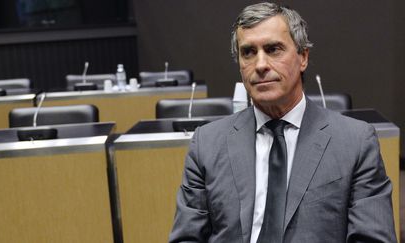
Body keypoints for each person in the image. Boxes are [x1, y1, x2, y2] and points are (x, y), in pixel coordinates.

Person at [169, 2, 397, 243]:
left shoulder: (355, 142)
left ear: (303, 58)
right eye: (248, 52)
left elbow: (373, 238)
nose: (260, 65)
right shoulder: (207, 144)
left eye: (273, 49)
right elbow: (187, 238)